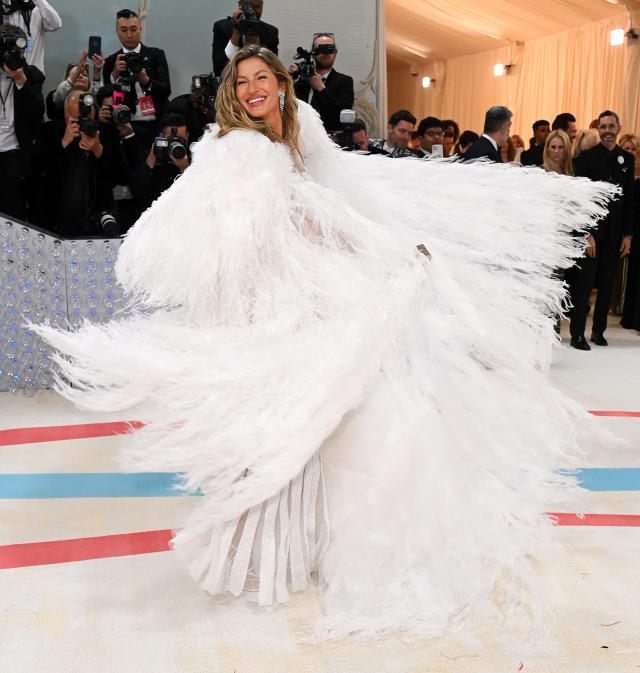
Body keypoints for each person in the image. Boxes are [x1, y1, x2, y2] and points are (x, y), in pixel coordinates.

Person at [36, 46, 616, 640]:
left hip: (307, 296)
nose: (254, 88)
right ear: (231, 95)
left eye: (264, 78)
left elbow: (336, 202)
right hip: (264, 307)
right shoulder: (235, 151)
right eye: (243, 82)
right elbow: (256, 225)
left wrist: (388, 251)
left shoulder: (300, 134)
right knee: (278, 431)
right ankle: (252, 555)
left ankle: (296, 547)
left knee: (319, 422)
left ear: (284, 84)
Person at [573, 110, 635, 346]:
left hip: (615, 233)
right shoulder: (587, 158)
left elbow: (629, 201)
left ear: (618, 128)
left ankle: (598, 331)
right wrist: (586, 233)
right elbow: (582, 200)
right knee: (585, 284)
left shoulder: (626, 159)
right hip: (593, 234)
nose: (607, 131)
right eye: (603, 127)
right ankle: (578, 333)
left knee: (607, 286)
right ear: (599, 130)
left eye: (611, 126)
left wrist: (627, 235)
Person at [32, 89, 125, 236]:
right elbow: (34, 169)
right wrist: (63, 142)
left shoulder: (108, 133)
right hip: (55, 221)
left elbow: (121, 176)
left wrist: (98, 150)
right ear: (65, 114)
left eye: (85, 118)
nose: (81, 123)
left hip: (97, 219)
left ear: (93, 113)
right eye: (74, 120)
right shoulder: (50, 132)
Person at [542, 129, 597, 349]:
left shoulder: (573, 176)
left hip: (564, 240)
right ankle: (545, 336)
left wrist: (587, 234)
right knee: (547, 288)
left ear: (566, 149)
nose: (556, 151)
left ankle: (552, 335)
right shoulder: (539, 174)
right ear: (547, 149)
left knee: (557, 288)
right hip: (544, 239)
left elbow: (579, 211)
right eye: (552, 147)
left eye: (560, 147)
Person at [104, 8, 171, 157]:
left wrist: (146, 81)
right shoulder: (111, 62)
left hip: (157, 123)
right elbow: (109, 99)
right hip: (127, 125)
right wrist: (114, 75)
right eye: (124, 30)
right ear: (117, 32)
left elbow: (166, 90)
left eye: (133, 29)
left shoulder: (155, 55)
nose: (129, 35)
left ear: (140, 29)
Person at [0, 22, 44, 220]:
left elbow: (37, 114)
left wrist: (20, 80)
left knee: (14, 218)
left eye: (18, 51)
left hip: (14, 156)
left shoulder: (32, 75)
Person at [291, 33, 354, 133]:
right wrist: (288, 79)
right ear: (313, 53)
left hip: (330, 141)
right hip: (301, 137)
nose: (325, 53)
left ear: (335, 53)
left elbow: (343, 115)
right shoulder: (302, 82)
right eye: (320, 48)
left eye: (329, 48)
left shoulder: (344, 81)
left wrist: (321, 88)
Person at [129, 113, 190, 212]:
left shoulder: (194, 156)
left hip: (181, 211)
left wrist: (185, 168)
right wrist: (151, 160)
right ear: (161, 137)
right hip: (151, 213)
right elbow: (135, 190)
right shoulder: (148, 155)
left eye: (181, 140)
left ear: (187, 136)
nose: (176, 144)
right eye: (171, 140)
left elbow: (197, 192)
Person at [212, 0, 278, 76]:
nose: (252, 11)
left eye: (256, 7)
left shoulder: (271, 33)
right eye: (250, 6)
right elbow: (219, 70)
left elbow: (274, 72)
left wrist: (258, 48)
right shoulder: (222, 28)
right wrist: (236, 34)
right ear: (240, 4)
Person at [1, 0, 61, 74]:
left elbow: (55, 25)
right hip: (6, 74)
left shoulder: (39, 9)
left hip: (32, 75)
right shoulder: (5, 8)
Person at [619, 134, 640, 331]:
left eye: (633, 149)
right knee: (631, 274)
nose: (630, 152)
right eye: (626, 148)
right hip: (626, 227)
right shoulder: (621, 172)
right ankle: (628, 315)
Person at [47, 50, 104, 120]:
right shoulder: (60, 98)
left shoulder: (93, 99)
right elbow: (57, 98)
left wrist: (97, 73)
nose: (80, 76)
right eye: (77, 74)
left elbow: (100, 97)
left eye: (84, 75)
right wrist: (74, 76)